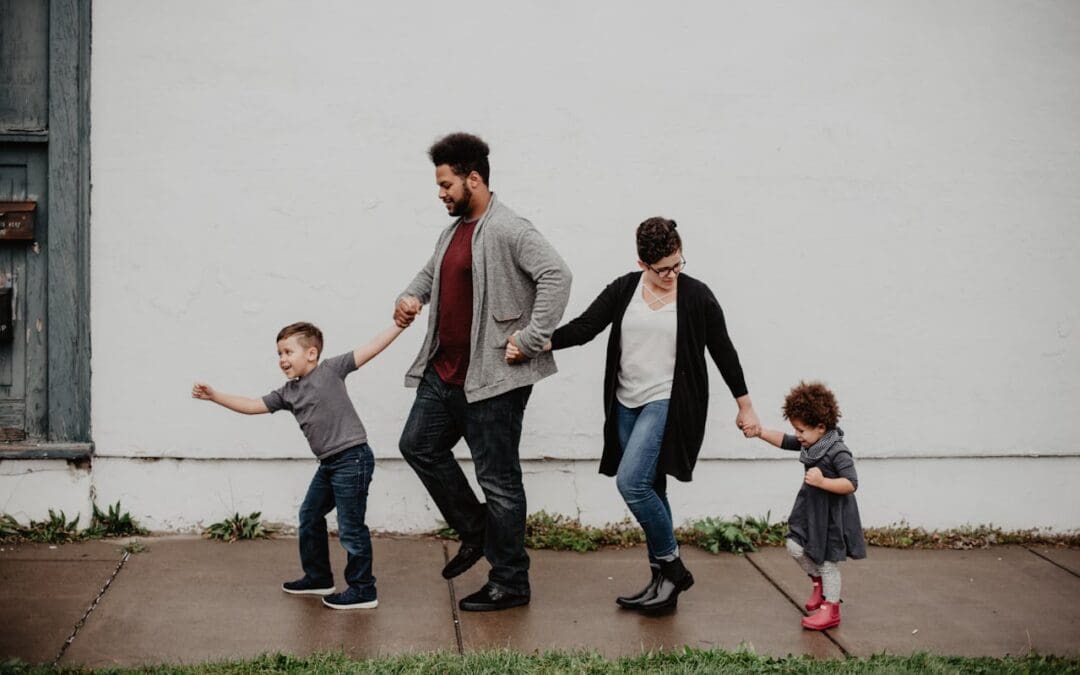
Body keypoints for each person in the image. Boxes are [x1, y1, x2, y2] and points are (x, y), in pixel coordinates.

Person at [507, 217, 760, 613]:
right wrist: (536, 344)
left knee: (632, 484)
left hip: (668, 402)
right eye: (663, 269)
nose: (672, 274)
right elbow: (586, 327)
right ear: (643, 263)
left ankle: (673, 568)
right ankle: (662, 585)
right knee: (652, 488)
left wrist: (744, 405)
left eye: (678, 264)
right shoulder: (626, 289)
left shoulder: (696, 296)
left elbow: (723, 350)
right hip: (625, 403)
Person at [394, 132, 571, 612]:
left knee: (499, 481)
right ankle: (476, 533)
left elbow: (558, 275)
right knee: (418, 446)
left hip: (493, 380)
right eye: (439, 184)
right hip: (444, 373)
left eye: (447, 184)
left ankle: (511, 581)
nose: (441, 193)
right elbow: (431, 274)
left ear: (474, 179)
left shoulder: (509, 228)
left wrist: (531, 338)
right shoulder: (453, 231)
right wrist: (410, 297)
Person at [192, 321, 404, 610]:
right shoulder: (288, 393)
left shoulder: (331, 370)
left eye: (288, 352)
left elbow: (372, 347)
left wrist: (399, 325)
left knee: (351, 527)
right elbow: (253, 405)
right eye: (279, 354)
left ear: (312, 353)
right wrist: (215, 396)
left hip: (352, 459)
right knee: (310, 514)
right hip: (329, 464)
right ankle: (318, 578)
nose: (282, 360)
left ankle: (363, 589)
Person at [749, 381, 866, 630]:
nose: (798, 435)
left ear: (821, 427)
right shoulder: (810, 444)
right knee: (794, 545)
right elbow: (784, 440)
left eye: (801, 430)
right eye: (796, 429)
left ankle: (831, 609)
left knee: (827, 562)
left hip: (832, 515)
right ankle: (818, 583)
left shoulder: (838, 451)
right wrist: (760, 432)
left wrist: (823, 481)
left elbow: (851, 483)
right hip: (811, 509)